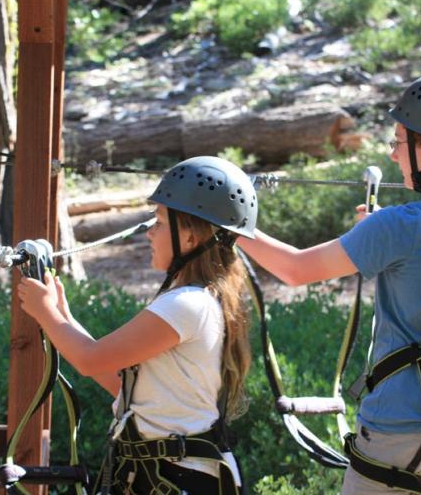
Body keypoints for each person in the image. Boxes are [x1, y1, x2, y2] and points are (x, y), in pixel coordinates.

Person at [236, 71, 421, 494]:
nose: (392, 155)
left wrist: (230, 223)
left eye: (399, 143)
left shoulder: (398, 226)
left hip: (399, 426)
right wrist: (379, 234)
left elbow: (294, 269)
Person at [17, 156, 257, 495]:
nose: (149, 233)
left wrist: (46, 314)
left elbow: (89, 360)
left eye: (159, 222)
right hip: (170, 476)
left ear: (190, 237)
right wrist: (63, 316)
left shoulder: (185, 305)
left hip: (174, 479)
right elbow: (125, 387)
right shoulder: (198, 300)